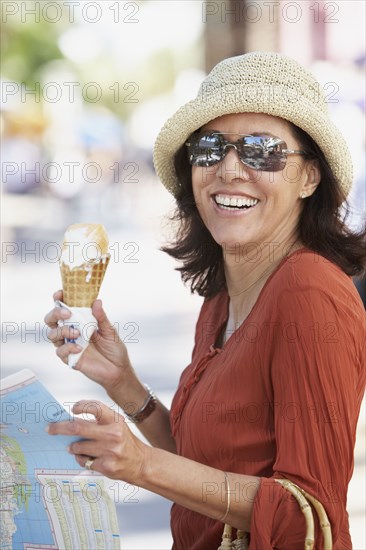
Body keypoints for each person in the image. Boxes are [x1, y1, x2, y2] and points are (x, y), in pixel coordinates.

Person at [44, 52, 366, 549]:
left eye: (262, 150)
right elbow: (205, 468)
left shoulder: (310, 293)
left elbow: (311, 518)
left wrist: (141, 465)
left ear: (309, 178)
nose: (230, 168)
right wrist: (125, 384)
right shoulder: (220, 298)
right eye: (211, 147)